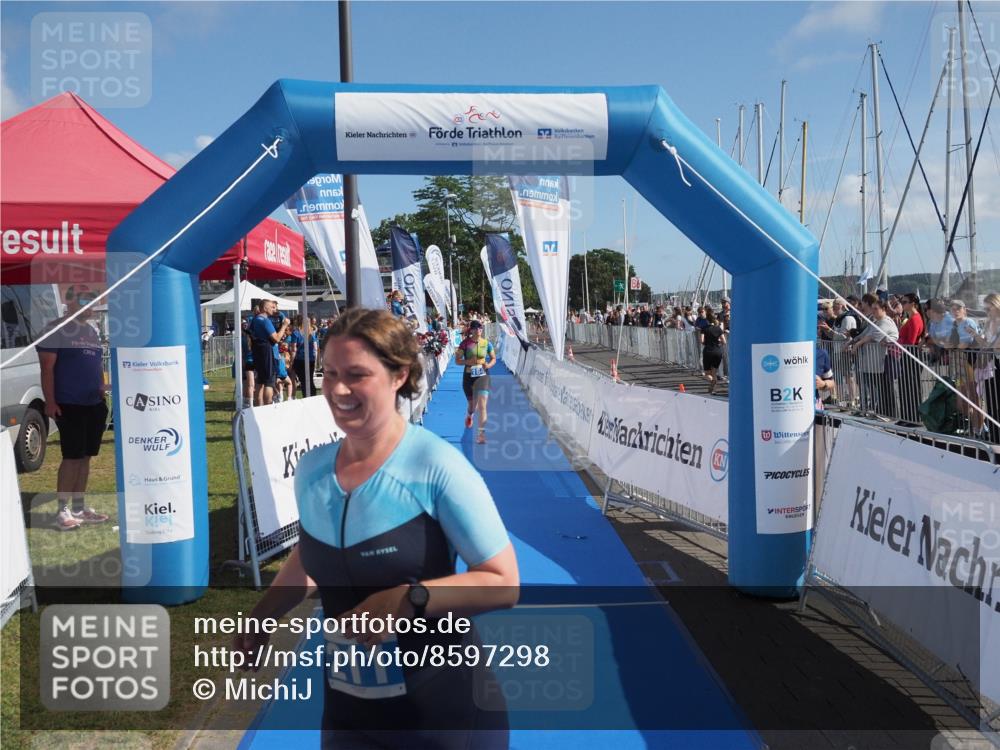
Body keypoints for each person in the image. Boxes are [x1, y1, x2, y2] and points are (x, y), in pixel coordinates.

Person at [235, 308, 517, 748]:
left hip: (446, 716)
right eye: (329, 373)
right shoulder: (312, 470)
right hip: (349, 717)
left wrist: (411, 598)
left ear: (399, 375)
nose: (338, 389)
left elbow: (504, 583)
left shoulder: (437, 466)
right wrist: (261, 617)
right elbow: (310, 555)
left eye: (357, 374)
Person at [37, 285, 110, 530]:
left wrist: (101, 388)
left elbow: (96, 365)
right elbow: (47, 368)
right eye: (86, 300)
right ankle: (62, 510)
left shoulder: (91, 331)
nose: (92, 305)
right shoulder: (55, 329)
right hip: (68, 403)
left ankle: (79, 507)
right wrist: (50, 401)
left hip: (94, 403)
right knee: (72, 457)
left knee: (86, 457)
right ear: (70, 302)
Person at [846, 298, 899, 418]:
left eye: (876, 309)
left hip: (883, 361)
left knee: (885, 389)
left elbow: (872, 336)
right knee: (878, 389)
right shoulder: (876, 322)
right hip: (873, 363)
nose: (873, 311)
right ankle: (880, 412)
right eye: (873, 309)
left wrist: (857, 345)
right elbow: (864, 334)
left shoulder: (886, 322)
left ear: (884, 309)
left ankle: (888, 414)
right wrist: (851, 342)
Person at [456, 320, 496, 444]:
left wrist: (488, 365)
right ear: (471, 330)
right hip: (469, 377)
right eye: (476, 328)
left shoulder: (486, 343)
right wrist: (467, 362)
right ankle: (469, 415)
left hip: (483, 376)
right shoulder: (465, 344)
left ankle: (481, 434)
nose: (479, 330)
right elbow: (457, 360)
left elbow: (493, 358)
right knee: (473, 406)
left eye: (480, 328)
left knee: (483, 406)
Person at [949, 299, 983, 435]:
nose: (955, 310)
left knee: (973, 397)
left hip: (969, 363)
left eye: (958, 308)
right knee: (960, 396)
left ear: (964, 310)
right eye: (953, 308)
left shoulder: (968, 322)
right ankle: (969, 425)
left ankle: (979, 428)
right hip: (958, 365)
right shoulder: (954, 324)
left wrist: (953, 347)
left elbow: (966, 342)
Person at [970, 292, 1000, 442]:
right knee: (992, 401)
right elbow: (987, 345)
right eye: (986, 309)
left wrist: (988, 345)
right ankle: (995, 436)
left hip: (996, 362)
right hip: (993, 364)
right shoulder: (989, 323)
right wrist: (975, 335)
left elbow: (995, 345)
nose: (987, 311)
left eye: (989, 308)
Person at [250, 299, 291, 406]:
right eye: (272, 307)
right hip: (267, 353)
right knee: (269, 382)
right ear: (264, 308)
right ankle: (268, 406)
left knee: (260, 381)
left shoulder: (255, 319)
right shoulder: (264, 320)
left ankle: (259, 406)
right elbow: (276, 338)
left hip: (258, 352)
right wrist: (284, 325)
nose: (275, 309)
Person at [895, 293, 925, 424]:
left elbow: (911, 341)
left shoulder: (915, 319)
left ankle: (912, 417)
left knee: (910, 388)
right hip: (907, 355)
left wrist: (898, 343)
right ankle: (907, 416)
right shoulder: (911, 317)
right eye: (902, 301)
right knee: (904, 387)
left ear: (913, 303)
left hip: (910, 356)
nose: (902, 304)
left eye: (905, 302)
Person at [698, 309, 726, 395]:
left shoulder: (704, 329)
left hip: (708, 351)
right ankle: (713, 390)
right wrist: (718, 341)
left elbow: (701, 340)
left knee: (707, 373)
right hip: (718, 351)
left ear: (707, 320)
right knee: (714, 372)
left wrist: (706, 342)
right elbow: (724, 341)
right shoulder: (718, 328)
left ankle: (712, 381)